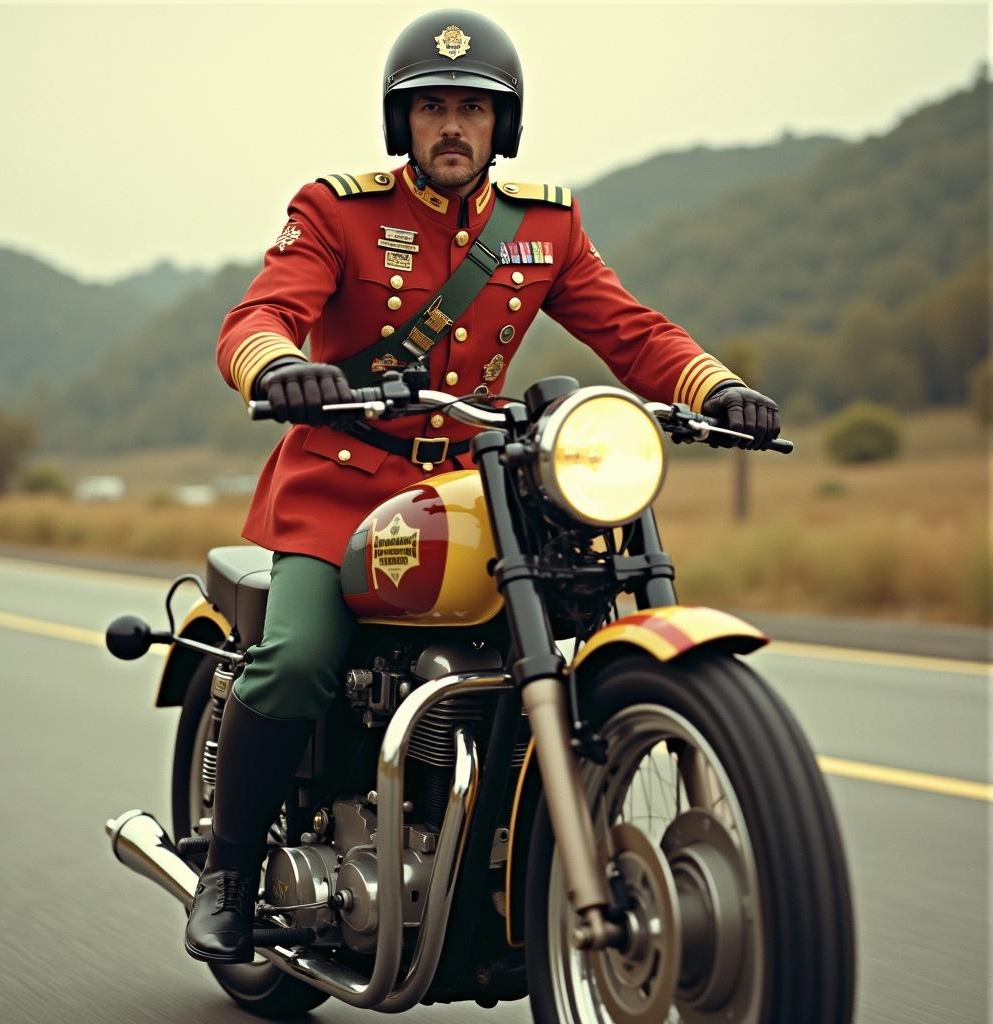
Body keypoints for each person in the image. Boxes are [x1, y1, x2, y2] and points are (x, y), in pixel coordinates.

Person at [185, 8, 781, 964]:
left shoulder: (544, 225)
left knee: (562, 619)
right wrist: (276, 366)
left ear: (503, 126)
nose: (452, 126)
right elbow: (258, 316)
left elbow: (630, 331)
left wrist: (717, 387)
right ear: (403, 123)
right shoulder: (338, 211)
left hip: (474, 494)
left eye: (472, 108)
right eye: (432, 109)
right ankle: (229, 872)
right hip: (340, 494)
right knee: (297, 657)